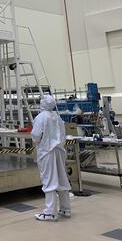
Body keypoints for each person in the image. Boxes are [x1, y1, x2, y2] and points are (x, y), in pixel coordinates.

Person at [32, 94, 71, 222]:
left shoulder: (40, 117)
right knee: (61, 178)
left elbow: (36, 135)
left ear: (42, 104)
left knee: (49, 180)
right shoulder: (57, 117)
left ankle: (50, 212)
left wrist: (37, 143)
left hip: (46, 151)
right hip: (59, 150)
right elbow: (63, 134)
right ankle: (66, 209)